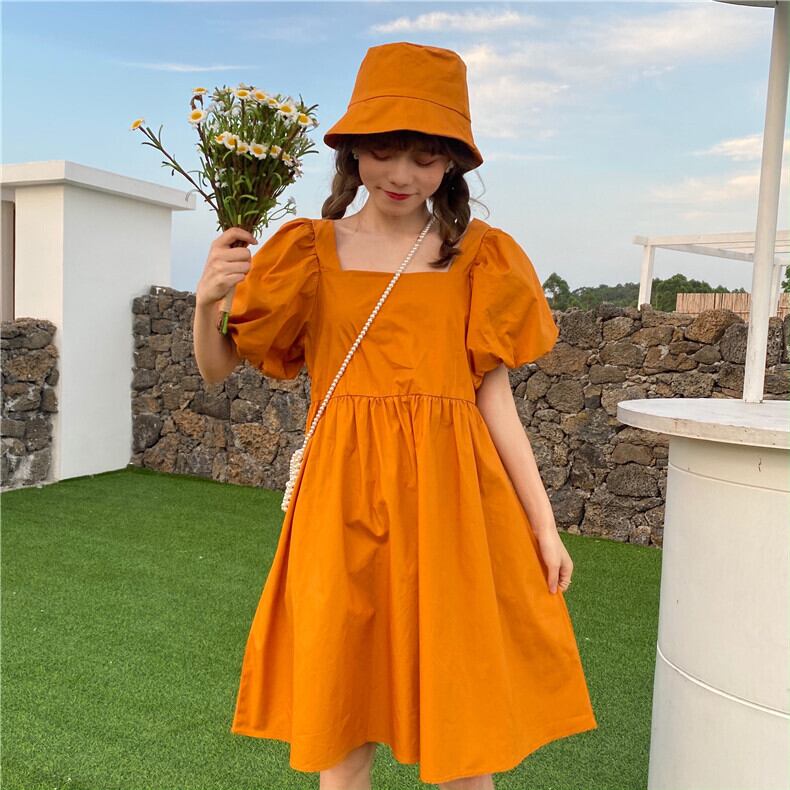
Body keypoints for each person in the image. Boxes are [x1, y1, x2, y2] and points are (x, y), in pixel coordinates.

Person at [193, 41, 597, 790]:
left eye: (424, 154)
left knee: (464, 728)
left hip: (454, 504)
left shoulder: (481, 257)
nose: (401, 174)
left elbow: (494, 401)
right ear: (353, 153)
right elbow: (219, 368)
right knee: (341, 728)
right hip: (341, 503)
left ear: (451, 164)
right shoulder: (306, 252)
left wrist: (543, 524)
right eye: (383, 151)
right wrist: (207, 300)